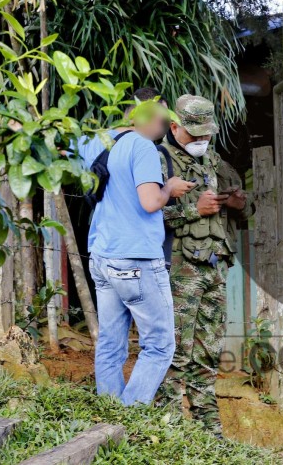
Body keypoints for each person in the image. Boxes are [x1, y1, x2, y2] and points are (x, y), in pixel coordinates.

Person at [78, 90, 194, 406]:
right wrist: (169, 187)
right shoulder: (142, 148)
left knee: (111, 343)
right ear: (139, 113)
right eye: (161, 114)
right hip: (136, 259)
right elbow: (149, 202)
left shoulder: (95, 141)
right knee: (159, 345)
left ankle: (110, 411)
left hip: (102, 256)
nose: (165, 122)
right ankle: (129, 414)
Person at [157, 95, 249, 435]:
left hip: (215, 268)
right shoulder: (159, 161)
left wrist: (238, 204)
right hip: (180, 270)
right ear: (174, 126)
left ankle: (209, 431)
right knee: (174, 353)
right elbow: (146, 214)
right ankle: (168, 429)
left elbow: (244, 211)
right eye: (194, 134)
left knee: (208, 354)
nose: (201, 141)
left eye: (206, 134)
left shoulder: (214, 160)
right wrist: (196, 208)